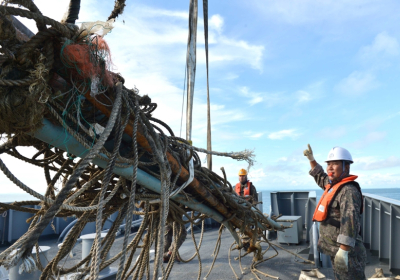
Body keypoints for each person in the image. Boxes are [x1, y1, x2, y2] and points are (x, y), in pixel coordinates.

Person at [303, 144, 366, 280]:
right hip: (336, 249)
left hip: (347, 253)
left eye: (335, 163)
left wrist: (344, 250)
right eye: (329, 164)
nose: (330, 167)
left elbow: (350, 223)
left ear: (346, 167)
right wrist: (311, 159)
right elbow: (321, 177)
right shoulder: (335, 185)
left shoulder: (348, 191)